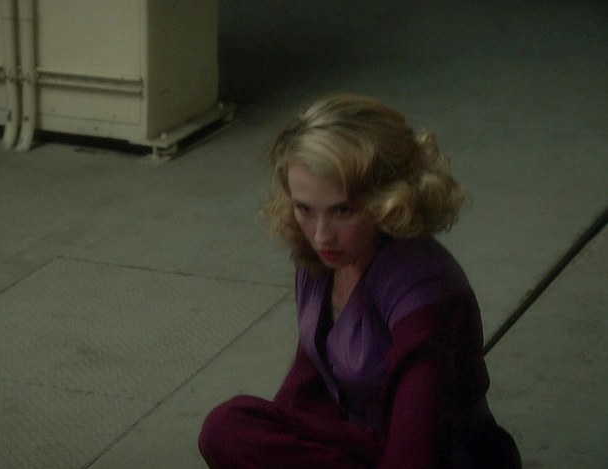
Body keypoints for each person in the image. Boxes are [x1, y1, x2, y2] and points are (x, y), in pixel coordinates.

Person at [198, 93, 521, 468]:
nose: (321, 235)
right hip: (363, 444)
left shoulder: (423, 291)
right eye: (304, 208)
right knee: (227, 428)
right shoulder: (322, 261)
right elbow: (306, 390)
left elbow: (416, 453)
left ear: (388, 199)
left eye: (342, 211)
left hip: (442, 457)